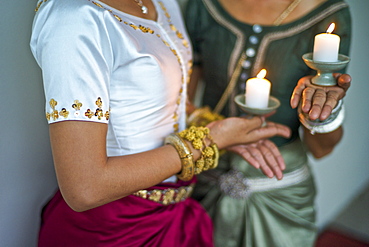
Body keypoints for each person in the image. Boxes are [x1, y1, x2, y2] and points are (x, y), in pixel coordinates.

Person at [29, 0, 297, 246]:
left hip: (175, 212)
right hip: (112, 227)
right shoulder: (73, 18)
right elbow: (84, 189)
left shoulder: (161, 2)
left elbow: (161, 102)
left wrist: (211, 125)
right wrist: (209, 141)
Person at [184, 0, 351, 246]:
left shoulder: (327, 14)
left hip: (281, 194)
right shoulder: (204, 6)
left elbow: (321, 149)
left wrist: (323, 112)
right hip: (205, 177)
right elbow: (179, 103)